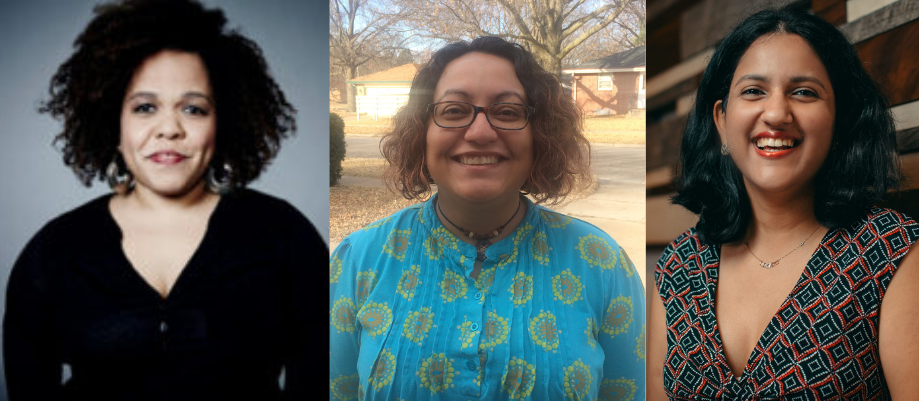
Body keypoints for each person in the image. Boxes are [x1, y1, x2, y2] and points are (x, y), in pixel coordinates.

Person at [3, 0, 323, 399]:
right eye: (144, 107)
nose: (169, 128)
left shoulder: (285, 237)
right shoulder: (54, 252)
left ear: (222, 123)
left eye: (193, 108)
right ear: (112, 122)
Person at [648, 4, 919, 400]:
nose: (776, 113)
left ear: (839, 120)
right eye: (753, 91)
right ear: (721, 121)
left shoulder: (892, 252)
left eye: (803, 92)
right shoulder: (679, 265)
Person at [329, 36, 646, 400]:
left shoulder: (601, 263)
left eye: (508, 112)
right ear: (422, 132)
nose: (480, 132)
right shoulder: (359, 260)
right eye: (453, 111)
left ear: (540, 135)